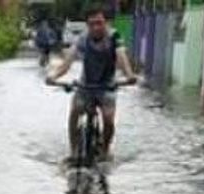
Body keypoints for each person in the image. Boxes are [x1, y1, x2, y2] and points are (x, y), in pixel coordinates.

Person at [46, 7, 137, 158]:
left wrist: (129, 75)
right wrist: (54, 76)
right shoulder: (82, 38)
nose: (96, 27)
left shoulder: (114, 37)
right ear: (87, 25)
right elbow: (67, 62)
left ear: (105, 23)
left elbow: (121, 57)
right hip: (86, 85)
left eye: (99, 23)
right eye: (92, 24)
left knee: (108, 119)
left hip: (107, 85)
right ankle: (73, 149)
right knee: (75, 111)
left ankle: (105, 151)